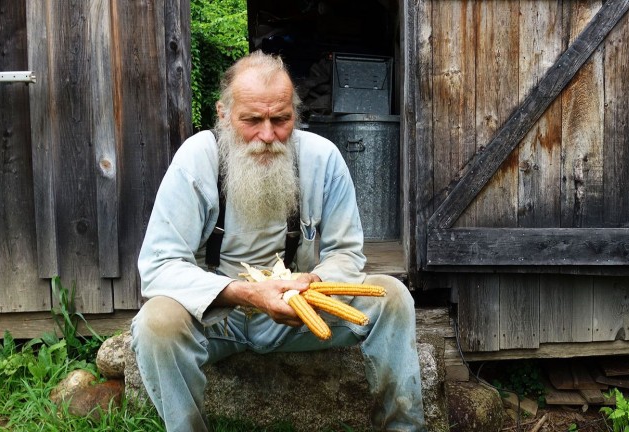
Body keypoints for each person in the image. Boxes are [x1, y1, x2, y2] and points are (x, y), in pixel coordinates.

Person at [131, 50, 425, 432]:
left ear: (294, 115)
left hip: (298, 313)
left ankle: (404, 427)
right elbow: (158, 267)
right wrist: (246, 294)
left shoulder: (323, 159)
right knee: (157, 323)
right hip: (218, 319)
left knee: (393, 297)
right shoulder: (197, 159)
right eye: (252, 121)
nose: (268, 136)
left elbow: (346, 254)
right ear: (223, 115)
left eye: (281, 120)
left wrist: (313, 285)